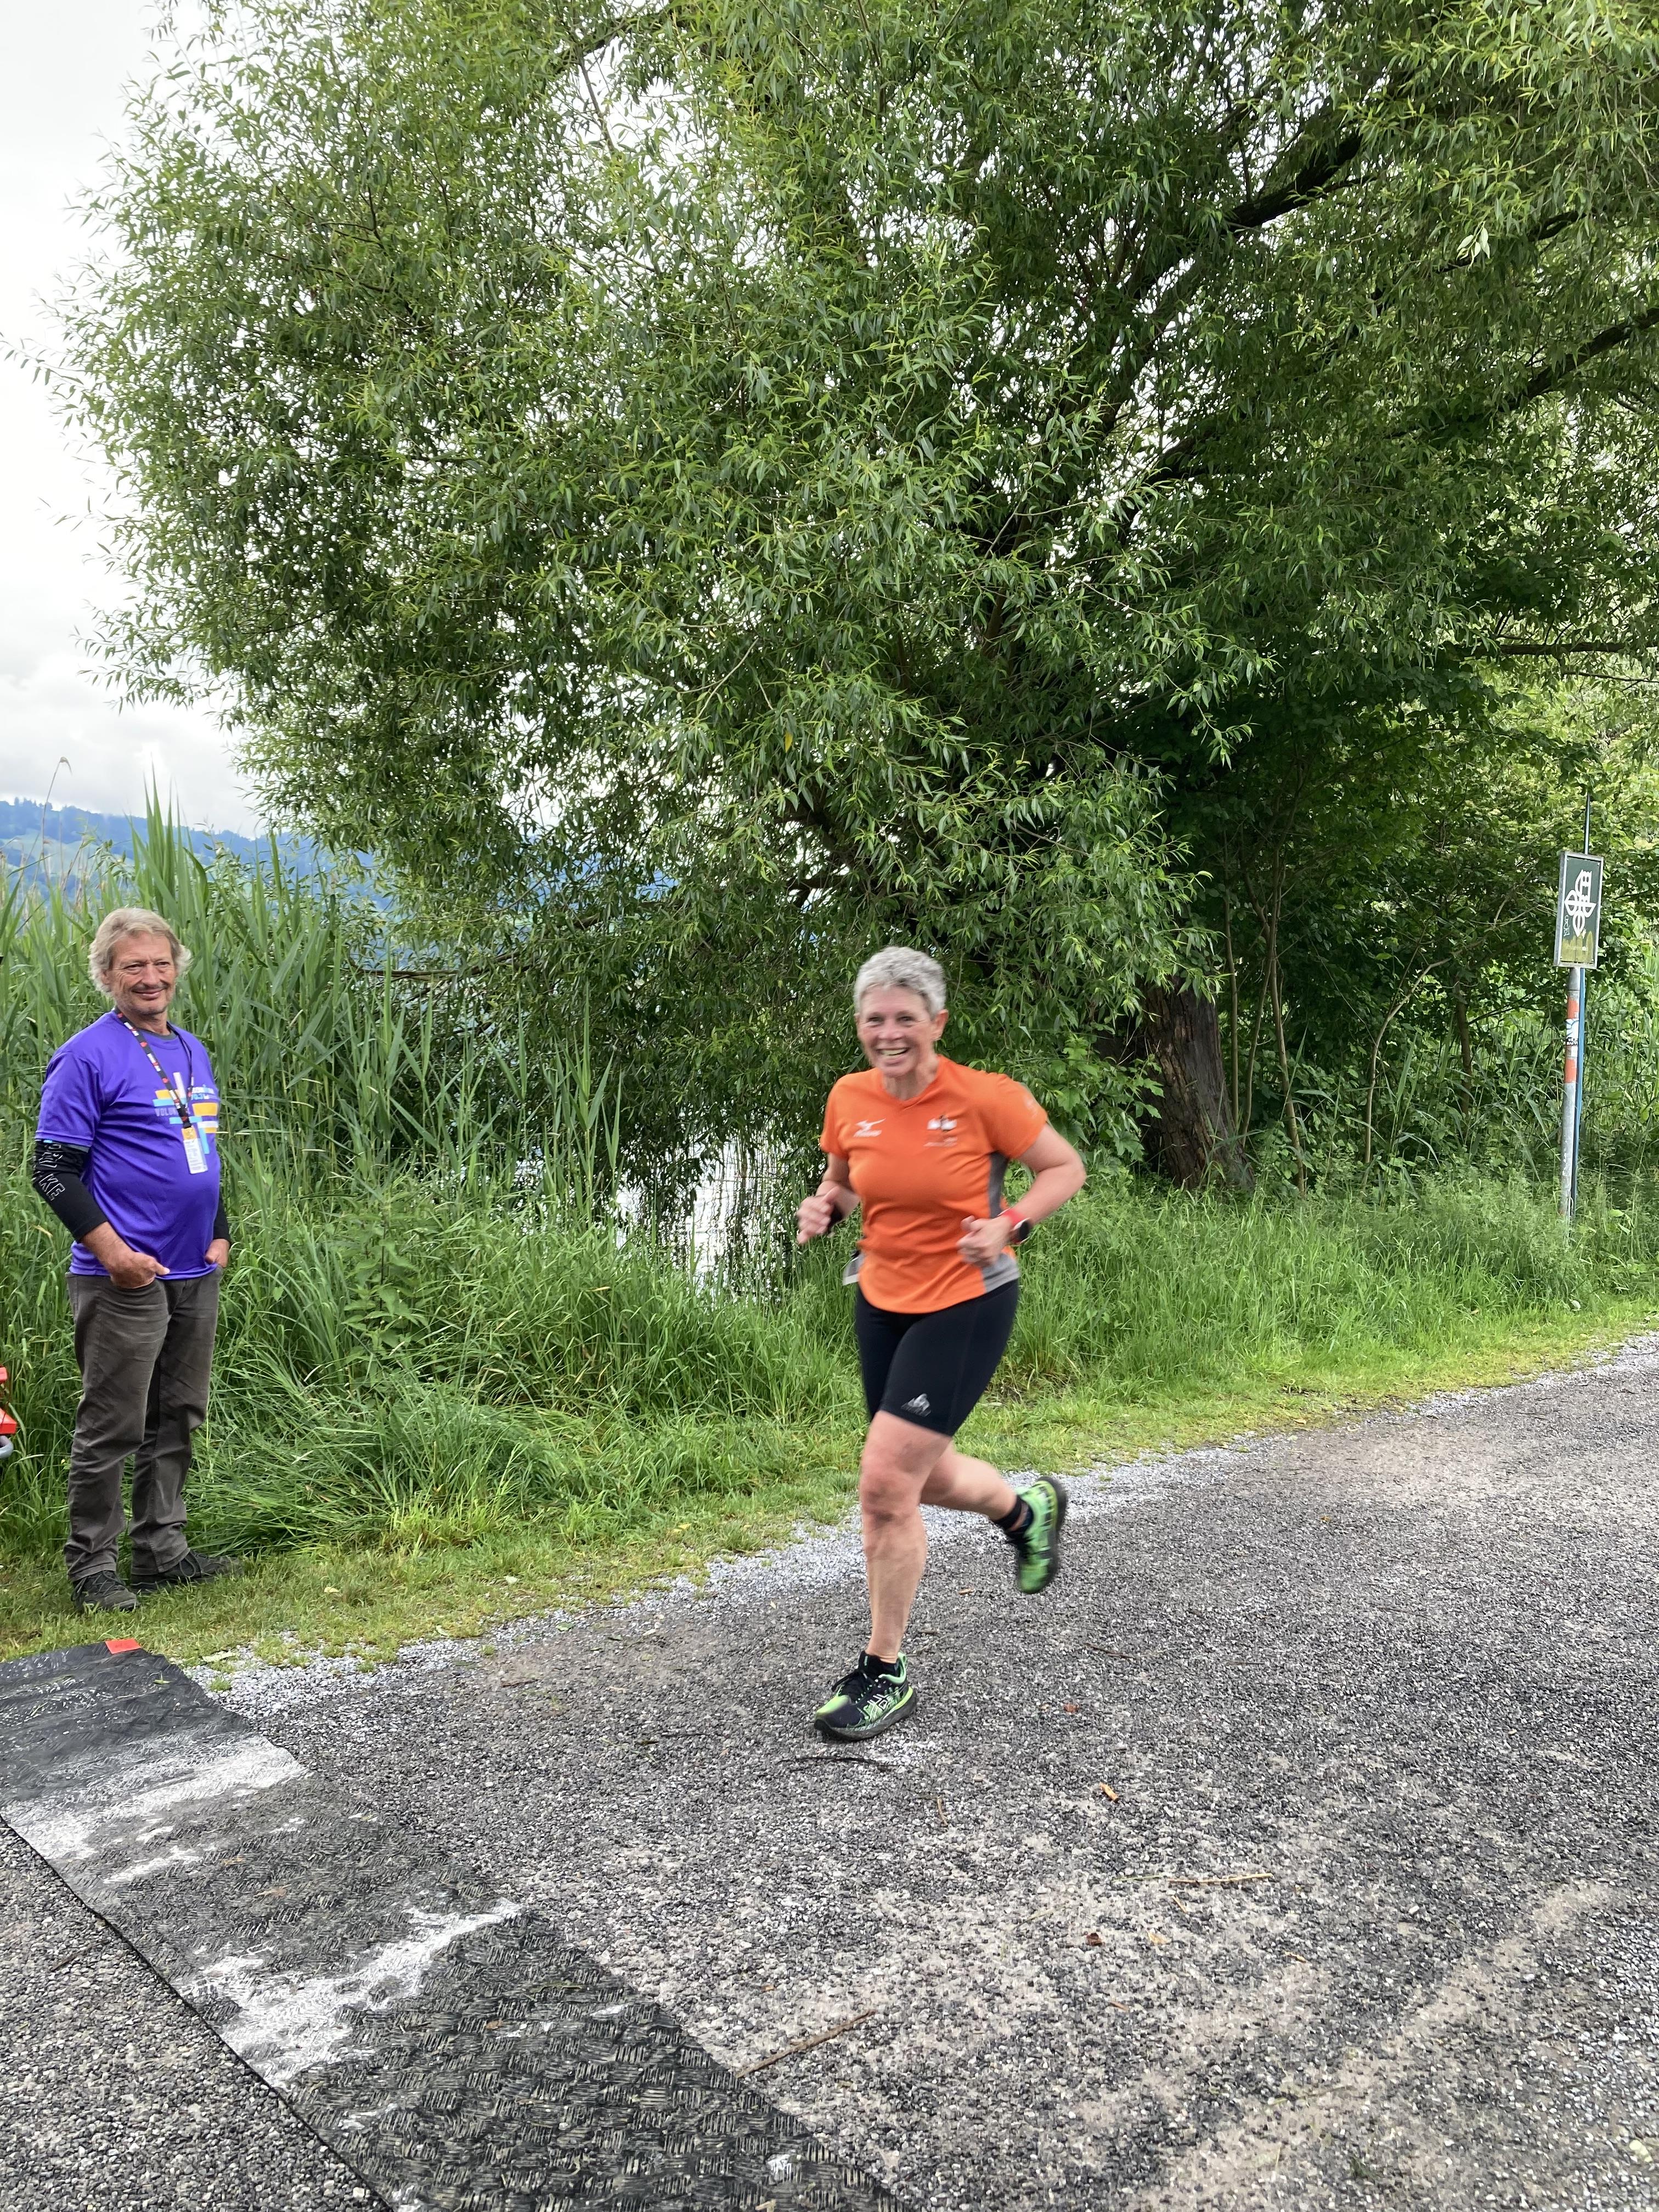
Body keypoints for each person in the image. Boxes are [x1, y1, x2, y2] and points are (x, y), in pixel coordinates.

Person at [796, 946, 1087, 1740]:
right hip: (881, 1298)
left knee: (886, 1484)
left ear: (937, 1023)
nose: (889, 1034)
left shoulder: (985, 1098)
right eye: (875, 1019)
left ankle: (884, 1671)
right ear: (860, 1025)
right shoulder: (849, 1096)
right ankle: (1023, 1511)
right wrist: (825, 1207)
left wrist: (1011, 1224)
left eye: (905, 1019)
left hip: (967, 1298)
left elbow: (1064, 1168)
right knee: (916, 1480)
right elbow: (847, 1180)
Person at [31, 907, 241, 1614]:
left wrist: (220, 1230)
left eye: (160, 964)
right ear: (106, 976)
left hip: (194, 1268)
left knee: (178, 1412)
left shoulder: (191, 1049)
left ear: (177, 968)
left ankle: (162, 1550)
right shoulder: (87, 1055)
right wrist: (113, 1252)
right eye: (133, 966)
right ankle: (93, 1565)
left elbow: (201, 1150)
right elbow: (54, 1169)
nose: (150, 978)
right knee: (113, 1421)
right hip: (123, 1273)